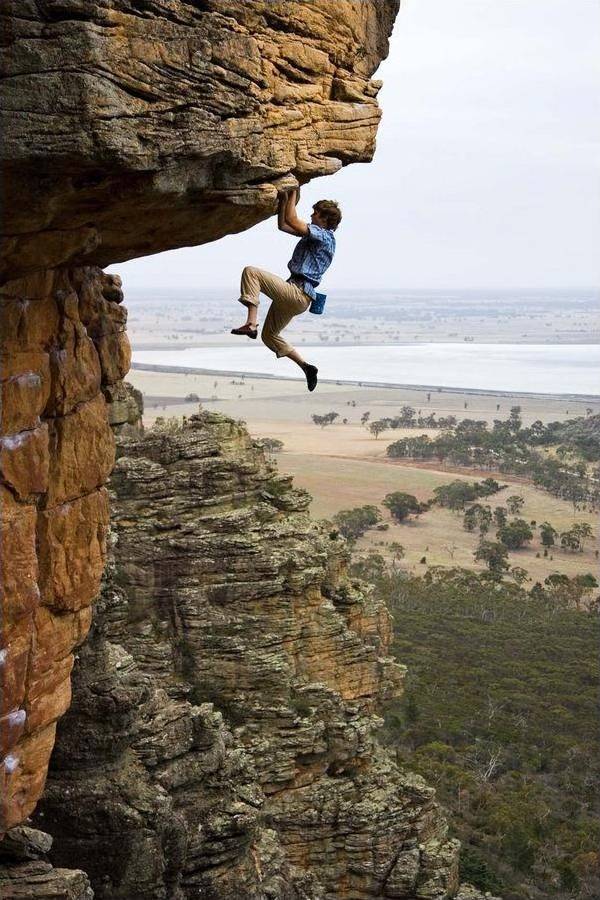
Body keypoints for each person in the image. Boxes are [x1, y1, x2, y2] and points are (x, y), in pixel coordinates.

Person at [231, 188, 341, 392]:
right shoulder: (315, 237)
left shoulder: (324, 236)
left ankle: (251, 323)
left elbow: (292, 217)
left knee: (251, 272)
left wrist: (292, 190)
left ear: (325, 219)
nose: (311, 215)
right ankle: (307, 367)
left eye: (315, 213)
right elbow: (284, 224)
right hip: (297, 296)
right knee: (269, 336)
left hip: (297, 293)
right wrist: (284, 198)